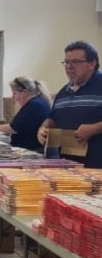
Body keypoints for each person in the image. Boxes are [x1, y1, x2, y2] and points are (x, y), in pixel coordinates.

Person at [37, 40, 102, 168]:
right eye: (66, 62)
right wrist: (43, 129)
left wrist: (94, 129)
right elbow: (53, 118)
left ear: (92, 63)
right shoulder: (63, 92)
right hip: (71, 166)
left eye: (76, 62)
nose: (69, 66)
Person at [0, 76, 52, 152]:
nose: (13, 97)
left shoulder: (34, 105)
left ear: (24, 92)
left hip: (32, 150)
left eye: (14, 93)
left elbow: (14, 128)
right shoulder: (36, 102)